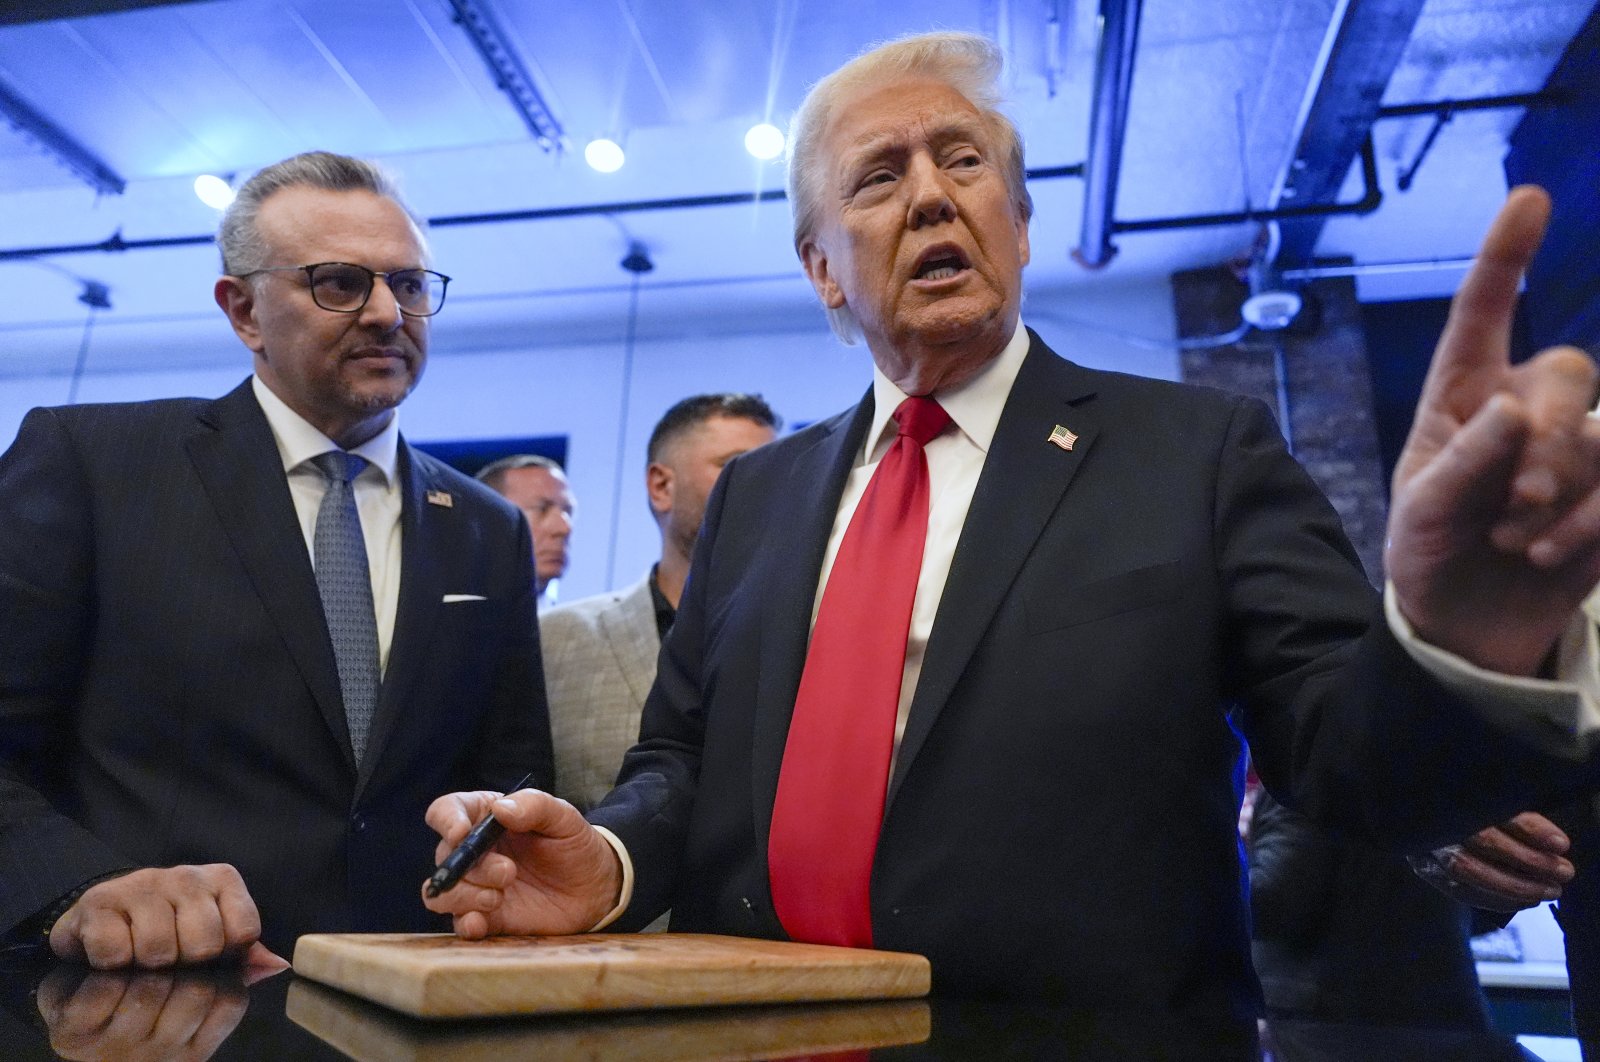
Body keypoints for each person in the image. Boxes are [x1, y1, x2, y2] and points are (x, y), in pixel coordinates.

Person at [422, 33, 1600, 1016]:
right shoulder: (759, 497)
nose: (931, 191)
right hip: (754, 1035)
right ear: (824, 270)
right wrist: (611, 860)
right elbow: (680, 762)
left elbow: (1353, 769)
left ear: (1020, 225)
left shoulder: (1200, 452)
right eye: (878, 177)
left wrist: (1454, 644)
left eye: (964, 161)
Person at [0, 151, 553, 969]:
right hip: (156, 1003)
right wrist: (80, 888)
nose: (384, 313)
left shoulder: (486, 526)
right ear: (244, 312)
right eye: (338, 282)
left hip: (410, 1001)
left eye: (407, 285)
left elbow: (511, 779)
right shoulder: (95, 463)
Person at [540, 393, 779, 811]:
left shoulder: (805, 639)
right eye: (739, 466)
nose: (771, 487)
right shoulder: (557, 640)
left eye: (778, 470)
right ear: (661, 485)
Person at [1248, 788, 1493, 1029]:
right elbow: (1487, 904)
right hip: (1445, 1007)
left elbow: (1275, 901)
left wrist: (1226, 862)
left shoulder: (1309, 776)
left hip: (1328, 1022)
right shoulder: (1443, 776)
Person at [476, 454, 575, 610]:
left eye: (568, 512)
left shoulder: (577, 628)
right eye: (542, 509)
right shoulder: (441, 618)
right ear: (488, 519)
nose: (564, 528)